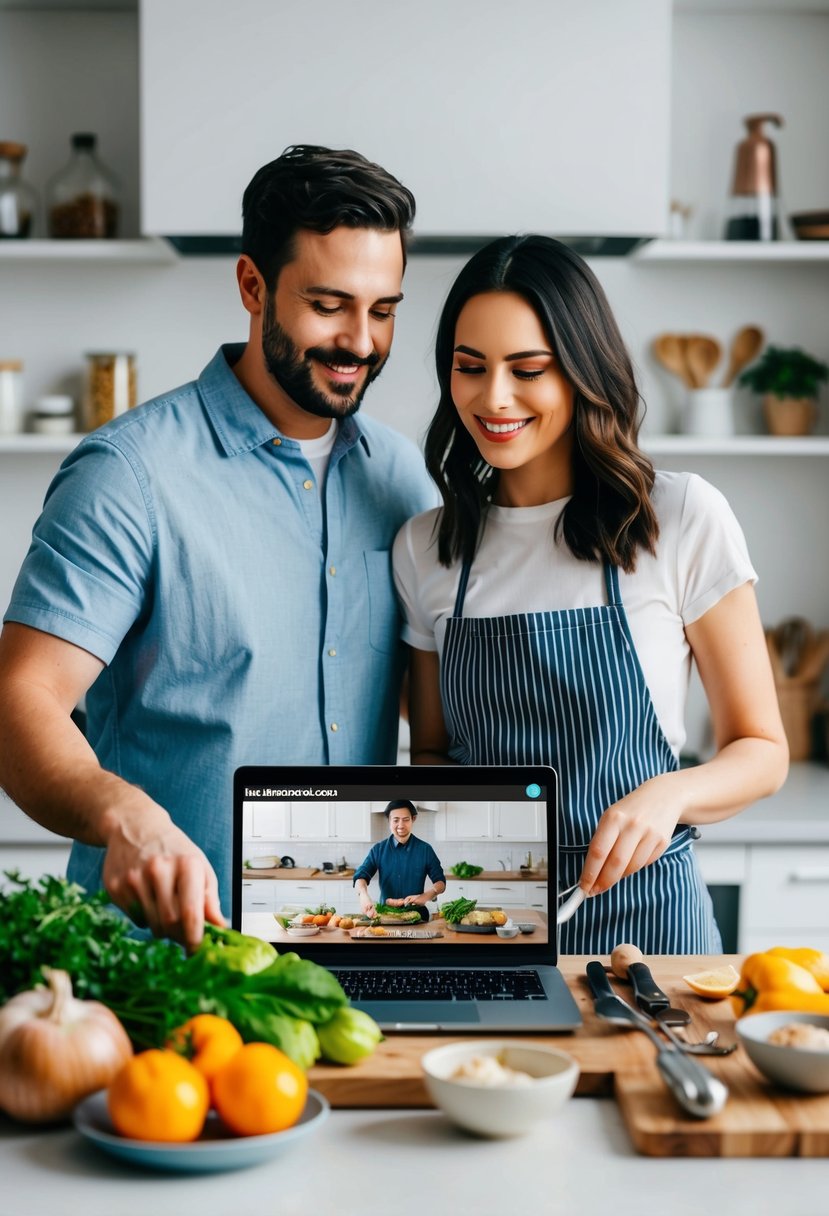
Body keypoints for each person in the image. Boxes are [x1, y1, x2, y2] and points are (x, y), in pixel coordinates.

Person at [0, 145, 435, 950]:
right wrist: (122, 811)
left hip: (346, 954)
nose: (359, 341)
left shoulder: (403, 481)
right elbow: (19, 702)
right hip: (154, 959)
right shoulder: (129, 474)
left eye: (382, 310)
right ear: (252, 286)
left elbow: (439, 720)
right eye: (329, 304)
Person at [392, 234, 789, 954]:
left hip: (650, 920)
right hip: (491, 921)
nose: (494, 397)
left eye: (528, 369)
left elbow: (760, 751)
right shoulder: (425, 546)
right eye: (469, 367)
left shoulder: (678, 516)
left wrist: (665, 796)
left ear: (581, 371)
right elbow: (432, 757)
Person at [353, 800, 446, 921]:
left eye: (406, 819)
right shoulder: (379, 849)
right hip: (385, 916)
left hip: (417, 916)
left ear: (413, 819)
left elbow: (441, 883)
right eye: (396, 820)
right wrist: (363, 895)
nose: (401, 825)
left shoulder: (425, 849)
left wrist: (427, 895)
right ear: (389, 821)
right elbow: (361, 875)